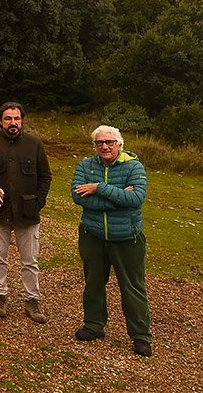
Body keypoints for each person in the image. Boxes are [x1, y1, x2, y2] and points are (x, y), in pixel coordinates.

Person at [71, 125, 152, 357]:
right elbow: (78, 197)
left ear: (119, 144)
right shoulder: (85, 165)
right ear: (94, 145)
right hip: (92, 236)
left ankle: (141, 336)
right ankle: (94, 325)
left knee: (132, 287)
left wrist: (99, 188)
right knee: (93, 283)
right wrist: (118, 196)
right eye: (99, 143)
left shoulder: (133, 166)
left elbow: (136, 198)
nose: (104, 146)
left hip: (127, 237)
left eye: (109, 142)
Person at [0, 102, 52, 322]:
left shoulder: (34, 144)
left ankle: (32, 300)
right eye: (8, 119)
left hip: (27, 213)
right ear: (0, 121)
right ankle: (0, 296)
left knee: (30, 260)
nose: (13, 123)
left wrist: (38, 202)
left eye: (17, 119)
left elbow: (45, 176)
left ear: (22, 120)